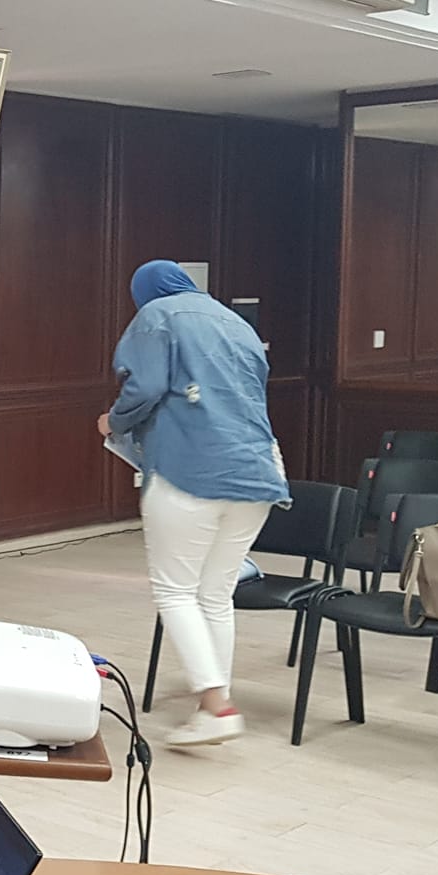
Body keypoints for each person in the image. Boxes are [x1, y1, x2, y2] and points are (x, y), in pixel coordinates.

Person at [99, 260, 288, 750]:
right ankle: (215, 703)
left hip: (190, 470)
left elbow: (144, 387)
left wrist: (113, 422)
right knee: (216, 594)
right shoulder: (236, 323)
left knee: (176, 592)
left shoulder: (156, 316)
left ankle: (215, 705)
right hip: (257, 473)